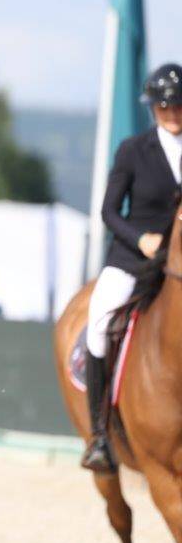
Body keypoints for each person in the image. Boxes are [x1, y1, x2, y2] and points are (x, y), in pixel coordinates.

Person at [81, 63, 182, 473]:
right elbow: (109, 211)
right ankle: (100, 434)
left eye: (178, 105)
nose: (172, 112)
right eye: (164, 106)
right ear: (153, 108)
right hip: (134, 261)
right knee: (100, 321)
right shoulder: (133, 150)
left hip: (178, 266)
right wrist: (141, 239)